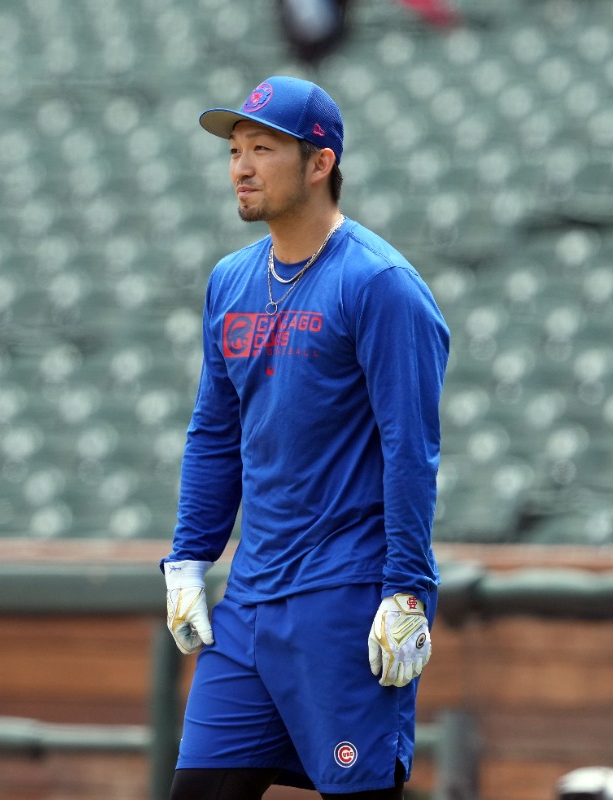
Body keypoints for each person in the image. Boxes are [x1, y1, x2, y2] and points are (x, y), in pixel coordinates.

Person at [162, 76, 449, 800]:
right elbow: (213, 432)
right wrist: (190, 559)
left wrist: (408, 592)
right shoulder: (229, 281)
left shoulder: (381, 284)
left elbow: (410, 448)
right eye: (234, 150)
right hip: (250, 602)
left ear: (320, 164)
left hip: (345, 598)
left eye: (263, 148)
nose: (241, 167)